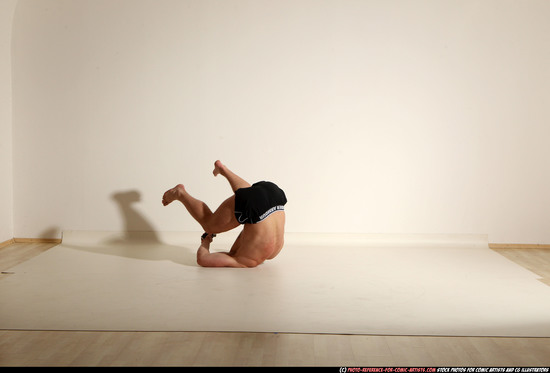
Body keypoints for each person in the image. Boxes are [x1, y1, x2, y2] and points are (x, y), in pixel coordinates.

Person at [162, 160, 287, 268]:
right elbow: (203, 259)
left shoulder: (267, 252)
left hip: (273, 194)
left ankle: (223, 170)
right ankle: (180, 194)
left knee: (250, 197)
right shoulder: (242, 261)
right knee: (209, 226)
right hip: (260, 203)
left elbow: (249, 200)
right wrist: (206, 242)